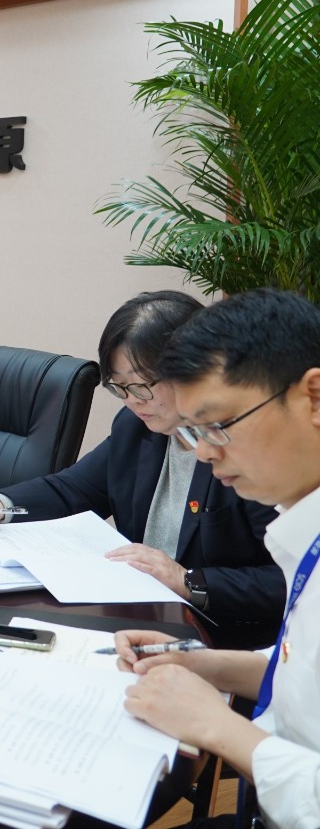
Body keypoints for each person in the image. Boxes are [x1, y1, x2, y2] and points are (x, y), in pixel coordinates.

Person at [0, 291, 281, 647]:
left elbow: (287, 581)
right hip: (135, 614)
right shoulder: (136, 426)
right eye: (120, 387)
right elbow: (74, 489)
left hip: (220, 638)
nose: (133, 401)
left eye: (143, 384)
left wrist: (188, 580)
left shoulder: (247, 451)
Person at [116, 288, 320, 829]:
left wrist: (216, 725)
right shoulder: (302, 526)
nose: (204, 451)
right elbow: (305, 675)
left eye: (219, 424)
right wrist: (204, 664)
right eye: (194, 431)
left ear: (313, 398)